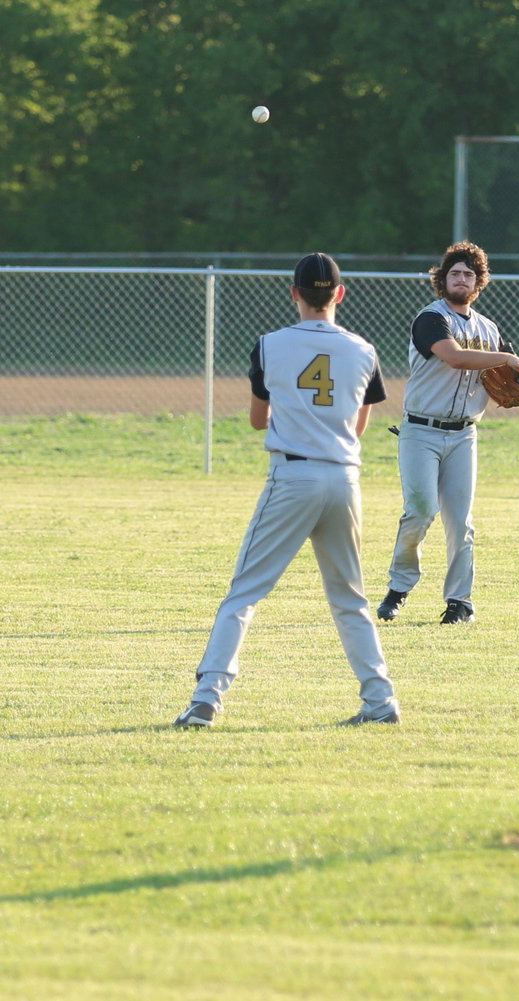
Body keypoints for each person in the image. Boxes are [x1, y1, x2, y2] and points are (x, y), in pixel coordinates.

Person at [173, 252, 400, 728]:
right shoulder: (363, 350)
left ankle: (206, 698)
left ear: (294, 293)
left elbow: (259, 420)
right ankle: (379, 702)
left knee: (244, 595)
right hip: (343, 480)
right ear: (339, 294)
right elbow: (358, 426)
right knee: (351, 599)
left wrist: (297, 419)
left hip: (293, 476)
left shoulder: (269, 345)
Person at [376, 241, 519, 625]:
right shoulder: (431, 318)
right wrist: (507, 357)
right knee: (421, 510)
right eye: (454, 273)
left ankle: (460, 602)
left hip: (464, 435)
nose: (461, 279)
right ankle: (400, 586)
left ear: (478, 282)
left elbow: (514, 381)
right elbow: (454, 356)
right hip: (421, 431)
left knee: (461, 521)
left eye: (468, 274)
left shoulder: (488, 329)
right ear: (442, 279)